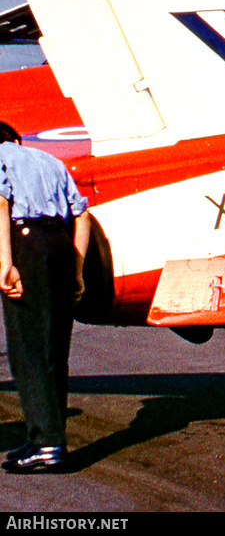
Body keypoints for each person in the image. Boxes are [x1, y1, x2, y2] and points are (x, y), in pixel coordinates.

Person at [0, 121, 91, 472]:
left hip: (26, 246)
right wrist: (78, 271)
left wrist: (5, 263)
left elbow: (1, 205)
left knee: (28, 349)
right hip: (60, 246)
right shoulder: (48, 160)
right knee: (54, 347)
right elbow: (81, 214)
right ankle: (45, 435)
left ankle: (47, 445)